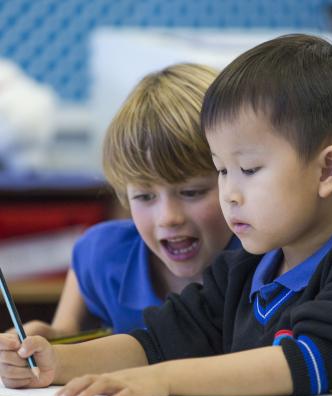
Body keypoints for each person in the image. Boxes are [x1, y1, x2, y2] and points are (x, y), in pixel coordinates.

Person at [1, 33, 332, 396]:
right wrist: (54, 361)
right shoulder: (243, 268)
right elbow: (157, 342)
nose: (229, 192)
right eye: (222, 170)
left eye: (248, 169)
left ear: (327, 170)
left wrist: (163, 379)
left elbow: (307, 361)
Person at [10, 63, 237, 339]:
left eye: (191, 192)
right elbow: (64, 335)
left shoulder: (268, 263)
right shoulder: (103, 255)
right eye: (144, 196)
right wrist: (44, 339)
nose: (168, 217)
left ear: (236, 179)